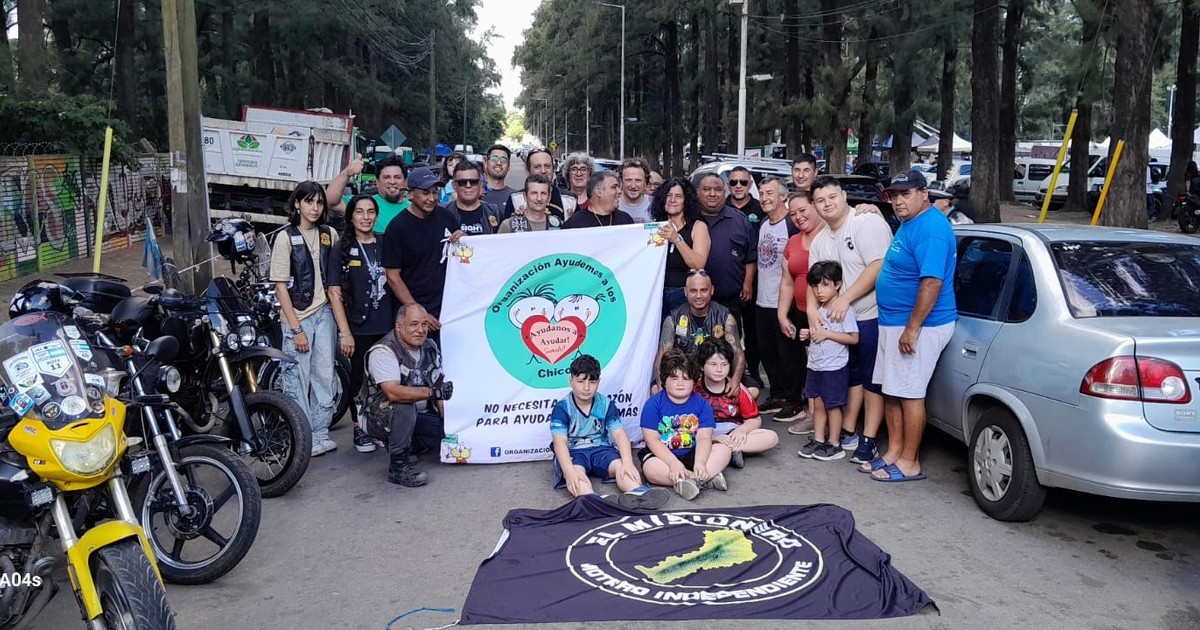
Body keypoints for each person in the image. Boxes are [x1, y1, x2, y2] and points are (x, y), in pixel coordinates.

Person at [867, 169, 957, 483]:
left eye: (906, 194)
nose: (898, 201)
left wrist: (912, 328)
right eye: (894, 195)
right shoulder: (910, 222)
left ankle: (909, 461)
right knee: (892, 390)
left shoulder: (931, 228)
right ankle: (894, 451)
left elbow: (932, 282)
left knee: (910, 393)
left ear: (924, 194)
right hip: (894, 322)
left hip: (919, 325)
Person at [808, 175, 893, 465]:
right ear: (814, 205)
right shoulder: (820, 239)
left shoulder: (865, 223)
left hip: (870, 315)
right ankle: (849, 431)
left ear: (844, 196)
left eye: (832, 197)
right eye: (820, 200)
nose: (827, 204)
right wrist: (812, 312)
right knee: (850, 377)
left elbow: (878, 265)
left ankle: (869, 439)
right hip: (836, 322)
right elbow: (812, 281)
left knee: (872, 380)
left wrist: (845, 298)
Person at [270, 181, 340, 456]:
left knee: (325, 374)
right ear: (297, 204)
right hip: (298, 316)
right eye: (309, 201)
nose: (315, 207)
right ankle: (302, 437)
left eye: (319, 202)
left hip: (326, 313)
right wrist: (296, 328)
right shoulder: (285, 237)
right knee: (296, 378)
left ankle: (320, 432)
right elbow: (280, 287)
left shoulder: (329, 234)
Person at [550, 354, 670, 509]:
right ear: (571, 381)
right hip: (574, 452)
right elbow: (559, 442)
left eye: (592, 382)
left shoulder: (606, 404)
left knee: (620, 466)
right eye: (580, 381)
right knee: (576, 473)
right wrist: (568, 471)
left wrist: (628, 462)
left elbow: (619, 434)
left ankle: (638, 492)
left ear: (599, 382)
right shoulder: (562, 408)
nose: (586, 387)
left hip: (601, 449)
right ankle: (592, 499)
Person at [327, 194, 395, 453]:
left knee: (385, 378)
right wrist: (345, 333)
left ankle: (381, 425)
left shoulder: (385, 242)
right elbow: (334, 292)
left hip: (386, 324)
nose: (366, 217)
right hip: (358, 326)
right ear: (351, 216)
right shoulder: (341, 247)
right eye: (359, 212)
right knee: (359, 380)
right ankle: (359, 428)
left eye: (370, 212)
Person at [359, 304, 453, 487]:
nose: (421, 330)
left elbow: (438, 384)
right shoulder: (383, 351)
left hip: (420, 414)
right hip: (380, 416)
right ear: (399, 326)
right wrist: (431, 393)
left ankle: (413, 442)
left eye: (424, 324)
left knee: (448, 434)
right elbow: (392, 392)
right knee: (403, 404)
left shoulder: (430, 346)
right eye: (414, 324)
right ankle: (398, 467)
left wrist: (446, 420)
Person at [695, 173, 760, 406]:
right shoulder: (690, 217)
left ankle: (731, 395)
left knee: (731, 348)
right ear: (698, 192)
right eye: (706, 189)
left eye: (717, 189)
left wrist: (748, 282)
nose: (712, 194)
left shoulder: (739, 219)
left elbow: (750, 255)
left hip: (730, 298)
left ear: (725, 192)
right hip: (695, 302)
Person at [381, 167, 464, 341]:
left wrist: (464, 240)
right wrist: (418, 312)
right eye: (425, 193)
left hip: (449, 310)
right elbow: (393, 276)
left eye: (434, 192)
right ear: (411, 194)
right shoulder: (397, 228)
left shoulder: (446, 217)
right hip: (414, 314)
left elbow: (462, 256)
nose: (431, 198)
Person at [639, 348, 732, 500]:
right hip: (663, 456)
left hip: (693, 453)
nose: (680, 384)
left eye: (686, 379)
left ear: (694, 381)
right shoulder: (653, 405)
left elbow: (704, 437)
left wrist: (701, 463)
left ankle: (692, 479)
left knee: (723, 450)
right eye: (674, 378)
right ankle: (703, 478)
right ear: (664, 380)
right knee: (650, 469)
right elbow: (652, 440)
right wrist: (673, 462)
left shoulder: (702, 405)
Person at [652, 270, 754, 399]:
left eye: (704, 290)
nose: (699, 296)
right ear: (685, 292)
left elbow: (738, 353)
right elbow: (663, 355)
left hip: (717, 375)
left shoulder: (726, 317)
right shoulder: (673, 318)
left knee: (753, 391)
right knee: (655, 390)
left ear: (712, 290)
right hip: (685, 374)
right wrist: (661, 384)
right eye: (693, 291)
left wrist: (735, 380)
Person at [797, 261, 859, 462]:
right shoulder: (819, 310)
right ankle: (818, 439)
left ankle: (834, 443)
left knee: (833, 406)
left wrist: (827, 334)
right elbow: (819, 334)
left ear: (837, 284)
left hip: (834, 367)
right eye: (815, 286)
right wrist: (809, 334)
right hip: (816, 365)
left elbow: (853, 338)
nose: (819, 291)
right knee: (818, 404)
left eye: (825, 285)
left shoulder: (844, 310)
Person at [753, 177, 804, 422]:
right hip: (762, 300)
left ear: (783, 196)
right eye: (762, 193)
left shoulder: (791, 224)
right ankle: (777, 395)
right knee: (768, 353)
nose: (764, 198)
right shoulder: (764, 223)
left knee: (789, 356)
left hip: (784, 303)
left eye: (770, 193)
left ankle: (795, 400)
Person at [692, 338, 780, 469]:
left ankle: (726, 449)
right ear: (702, 366)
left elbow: (754, 419)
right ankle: (730, 450)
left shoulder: (737, 389)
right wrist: (714, 437)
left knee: (771, 437)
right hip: (704, 434)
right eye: (713, 364)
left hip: (733, 434)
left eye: (724, 364)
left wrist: (741, 431)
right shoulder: (694, 389)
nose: (719, 369)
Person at [777, 191, 823, 436]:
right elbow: (787, 281)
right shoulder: (794, 240)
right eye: (792, 213)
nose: (798, 217)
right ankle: (812, 414)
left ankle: (824, 418)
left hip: (826, 315)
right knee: (810, 366)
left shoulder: (829, 234)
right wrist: (782, 314)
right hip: (802, 312)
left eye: (803, 210)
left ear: (815, 206)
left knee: (826, 369)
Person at [652, 178, 711, 317]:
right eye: (668, 195)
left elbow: (698, 264)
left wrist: (677, 239)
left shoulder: (698, 226)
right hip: (656, 293)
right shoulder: (655, 226)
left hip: (684, 294)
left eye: (678, 196)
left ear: (686, 201)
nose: (672, 200)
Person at [326, 155, 411, 232]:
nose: (392, 182)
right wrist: (347, 173)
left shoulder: (414, 209)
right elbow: (330, 202)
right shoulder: (363, 204)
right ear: (377, 182)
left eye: (397, 177)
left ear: (405, 182)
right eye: (386, 177)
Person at [503, 149, 577, 221]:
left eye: (547, 166)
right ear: (528, 170)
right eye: (537, 167)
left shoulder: (570, 200)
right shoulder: (515, 200)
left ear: (553, 169)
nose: (543, 171)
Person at [443, 160, 504, 235]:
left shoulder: (494, 211)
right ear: (454, 186)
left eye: (473, 181)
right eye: (462, 182)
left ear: (480, 184)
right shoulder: (442, 212)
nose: (468, 185)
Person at [561, 171, 635, 228]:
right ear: (599, 192)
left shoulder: (626, 220)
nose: (619, 191)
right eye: (614, 187)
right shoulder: (574, 224)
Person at [498, 175, 564, 232]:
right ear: (525, 196)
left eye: (543, 193)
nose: (539, 198)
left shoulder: (559, 225)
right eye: (534, 193)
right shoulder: (508, 226)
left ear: (549, 197)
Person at [617, 158, 653, 222]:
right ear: (621, 182)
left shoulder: (654, 204)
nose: (633, 186)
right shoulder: (612, 204)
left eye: (638, 180)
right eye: (628, 180)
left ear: (645, 183)